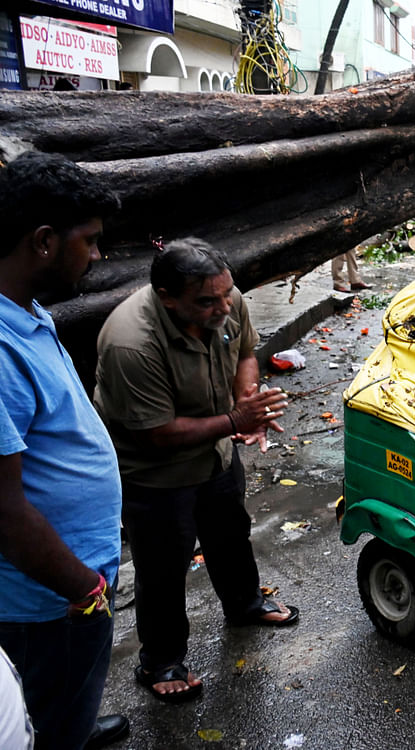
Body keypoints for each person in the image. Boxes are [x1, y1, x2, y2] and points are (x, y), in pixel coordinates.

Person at [93, 238, 298, 705]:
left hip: (216, 452)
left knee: (230, 533)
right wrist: (236, 421)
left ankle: (245, 604)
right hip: (156, 471)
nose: (222, 305)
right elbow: (157, 435)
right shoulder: (131, 343)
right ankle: (161, 660)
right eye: (207, 301)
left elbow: (246, 350)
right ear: (167, 297)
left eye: (226, 294)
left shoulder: (226, 300)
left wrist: (247, 399)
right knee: (163, 566)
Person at [0, 151, 129, 749]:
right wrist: (84, 589)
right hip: (44, 603)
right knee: (40, 718)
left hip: (71, 584)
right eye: (92, 242)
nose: (98, 256)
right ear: (45, 242)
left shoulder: (28, 313)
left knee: (69, 696)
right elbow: (5, 511)